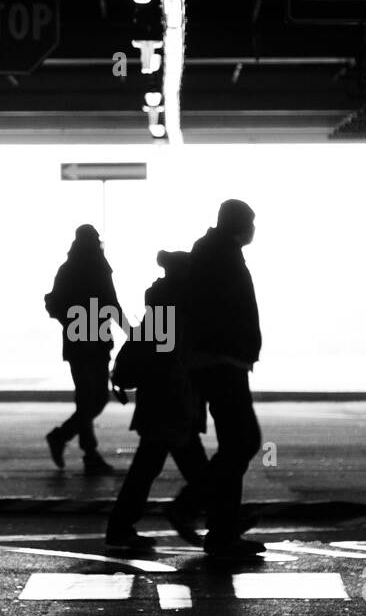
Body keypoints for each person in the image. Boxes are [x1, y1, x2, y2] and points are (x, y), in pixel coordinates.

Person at [105, 250, 209, 552]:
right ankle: (209, 519)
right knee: (186, 469)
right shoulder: (174, 310)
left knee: (149, 468)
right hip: (171, 405)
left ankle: (121, 527)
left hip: (161, 405)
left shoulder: (160, 306)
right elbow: (173, 364)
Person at [188, 198, 264, 559]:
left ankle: (222, 529)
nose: (254, 228)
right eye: (251, 222)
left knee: (237, 444)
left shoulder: (216, 252)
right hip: (222, 363)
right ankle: (197, 510)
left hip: (225, 361)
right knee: (243, 442)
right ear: (239, 223)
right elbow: (224, 311)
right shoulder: (221, 257)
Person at [44, 224, 124, 475]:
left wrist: (72, 321)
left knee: (87, 398)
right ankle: (85, 450)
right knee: (96, 398)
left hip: (78, 342)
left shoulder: (67, 270)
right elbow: (112, 303)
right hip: (97, 341)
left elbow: (54, 303)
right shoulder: (100, 268)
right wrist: (134, 334)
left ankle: (69, 440)